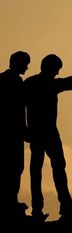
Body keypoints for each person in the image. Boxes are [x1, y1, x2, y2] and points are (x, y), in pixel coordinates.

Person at [24, 47, 72, 221]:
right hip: (46, 133)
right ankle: (63, 207)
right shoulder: (49, 83)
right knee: (52, 169)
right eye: (57, 69)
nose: (57, 73)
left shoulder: (30, 83)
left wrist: (25, 129)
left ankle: (40, 209)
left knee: (38, 169)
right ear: (52, 68)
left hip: (37, 132)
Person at [0, 51, 30, 220]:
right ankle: (8, 201)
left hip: (15, 131)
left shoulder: (15, 81)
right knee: (11, 167)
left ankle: (11, 200)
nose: (27, 67)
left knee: (14, 167)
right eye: (25, 63)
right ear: (17, 63)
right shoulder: (9, 81)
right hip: (9, 133)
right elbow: (13, 110)